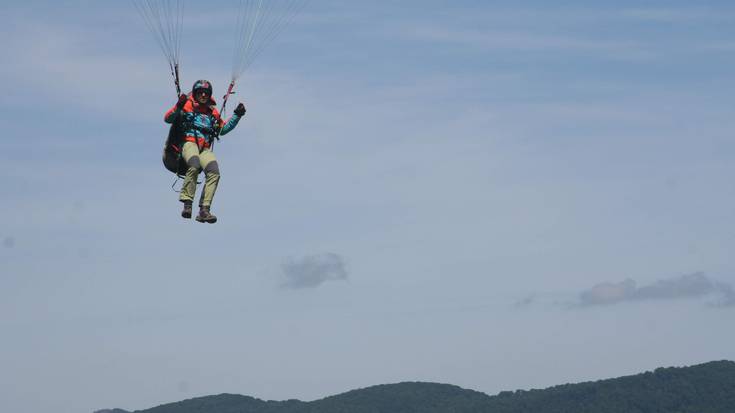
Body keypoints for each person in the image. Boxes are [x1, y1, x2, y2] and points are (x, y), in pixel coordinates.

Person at [164, 80, 246, 223]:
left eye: (206, 93)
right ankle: (187, 203)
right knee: (194, 164)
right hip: (189, 143)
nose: (203, 95)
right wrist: (178, 106)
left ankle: (204, 210)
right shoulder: (187, 106)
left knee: (214, 172)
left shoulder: (212, 112)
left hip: (205, 148)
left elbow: (222, 129)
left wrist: (237, 116)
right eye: (200, 92)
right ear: (195, 94)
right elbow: (168, 119)